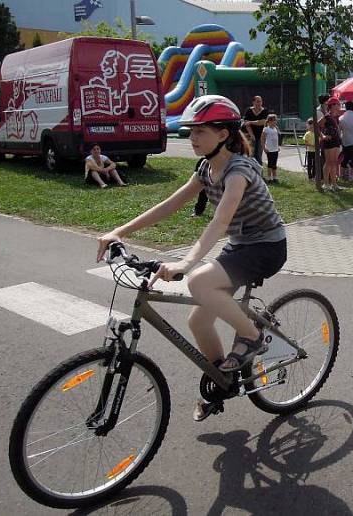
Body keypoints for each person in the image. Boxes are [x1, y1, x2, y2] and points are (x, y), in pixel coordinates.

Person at [94, 95, 287, 422]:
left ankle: (254, 338)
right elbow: (169, 206)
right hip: (241, 246)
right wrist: (119, 232)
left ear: (223, 134)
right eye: (191, 131)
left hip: (266, 247)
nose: (192, 137)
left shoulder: (238, 171)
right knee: (197, 320)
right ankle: (223, 382)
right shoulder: (204, 169)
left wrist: (186, 264)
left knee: (199, 282)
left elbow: (220, 221)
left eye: (200, 131)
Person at [319, 96, 342, 191]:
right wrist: (323, 136)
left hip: (336, 141)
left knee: (334, 163)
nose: (339, 106)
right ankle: (326, 183)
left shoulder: (336, 117)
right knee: (328, 162)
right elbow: (316, 126)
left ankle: (334, 184)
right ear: (332, 105)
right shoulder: (327, 116)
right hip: (329, 142)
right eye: (338, 104)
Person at [243, 96, 269, 165]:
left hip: (261, 136)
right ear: (253, 102)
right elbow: (246, 123)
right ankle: (251, 171)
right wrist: (252, 135)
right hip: (250, 136)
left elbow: (263, 122)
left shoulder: (265, 111)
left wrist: (251, 122)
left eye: (260, 101)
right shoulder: (248, 110)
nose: (259, 103)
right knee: (251, 154)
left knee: (258, 155)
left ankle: (259, 172)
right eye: (257, 101)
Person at [261, 113, 280, 184]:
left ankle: (275, 177)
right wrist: (264, 148)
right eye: (273, 121)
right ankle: (269, 178)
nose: (275, 122)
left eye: (275, 120)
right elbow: (262, 139)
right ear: (269, 121)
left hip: (275, 150)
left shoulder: (275, 128)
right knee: (270, 164)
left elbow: (276, 139)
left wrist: (278, 147)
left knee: (274, 164)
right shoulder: (266, 129)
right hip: (269, 150)